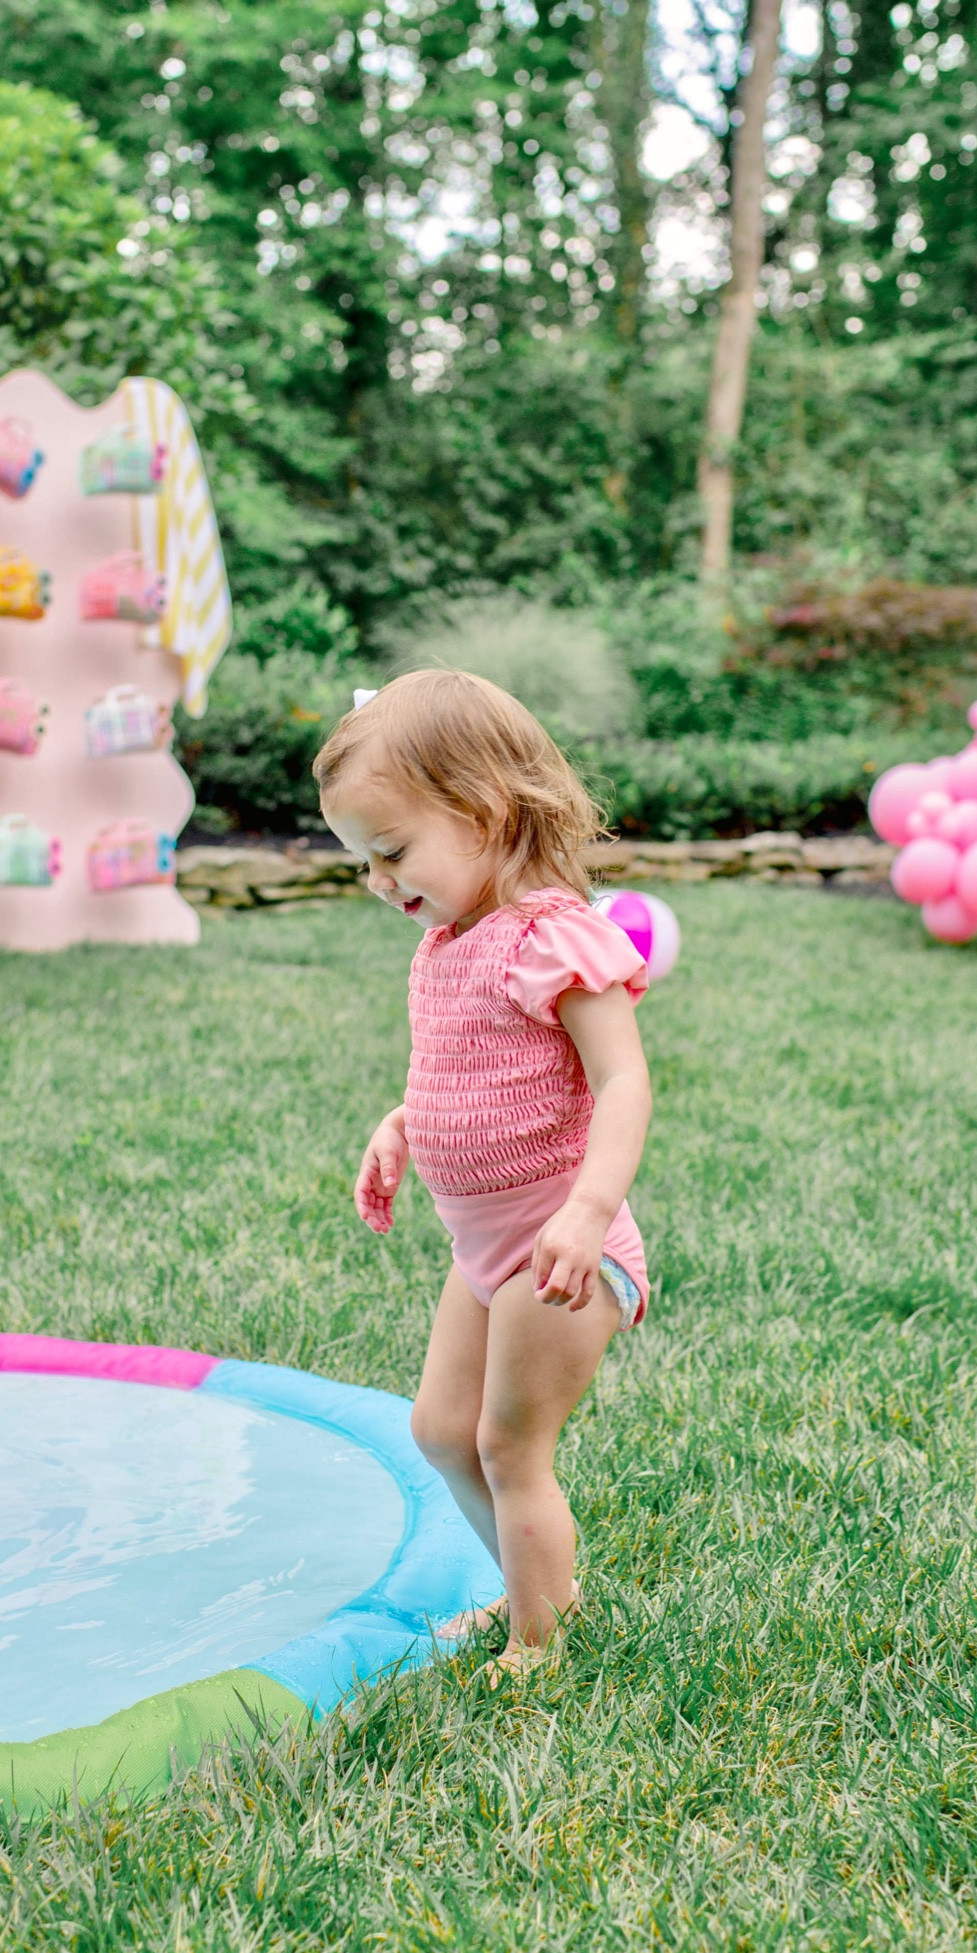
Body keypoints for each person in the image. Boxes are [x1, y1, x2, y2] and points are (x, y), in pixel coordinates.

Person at [314, 668, 654, 1678]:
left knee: (509, 1446)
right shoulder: (444, 941)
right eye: (362, 862)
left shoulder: (553, 936)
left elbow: (622, 1081)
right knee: (439, 1430)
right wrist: (402, 1124)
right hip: (483, 1247)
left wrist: (587, 1211)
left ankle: (537, 1643)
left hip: (560, 1246)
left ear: (485, 812)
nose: (379, 880)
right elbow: (467, 1064)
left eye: (391, 851)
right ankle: (530, 1583)